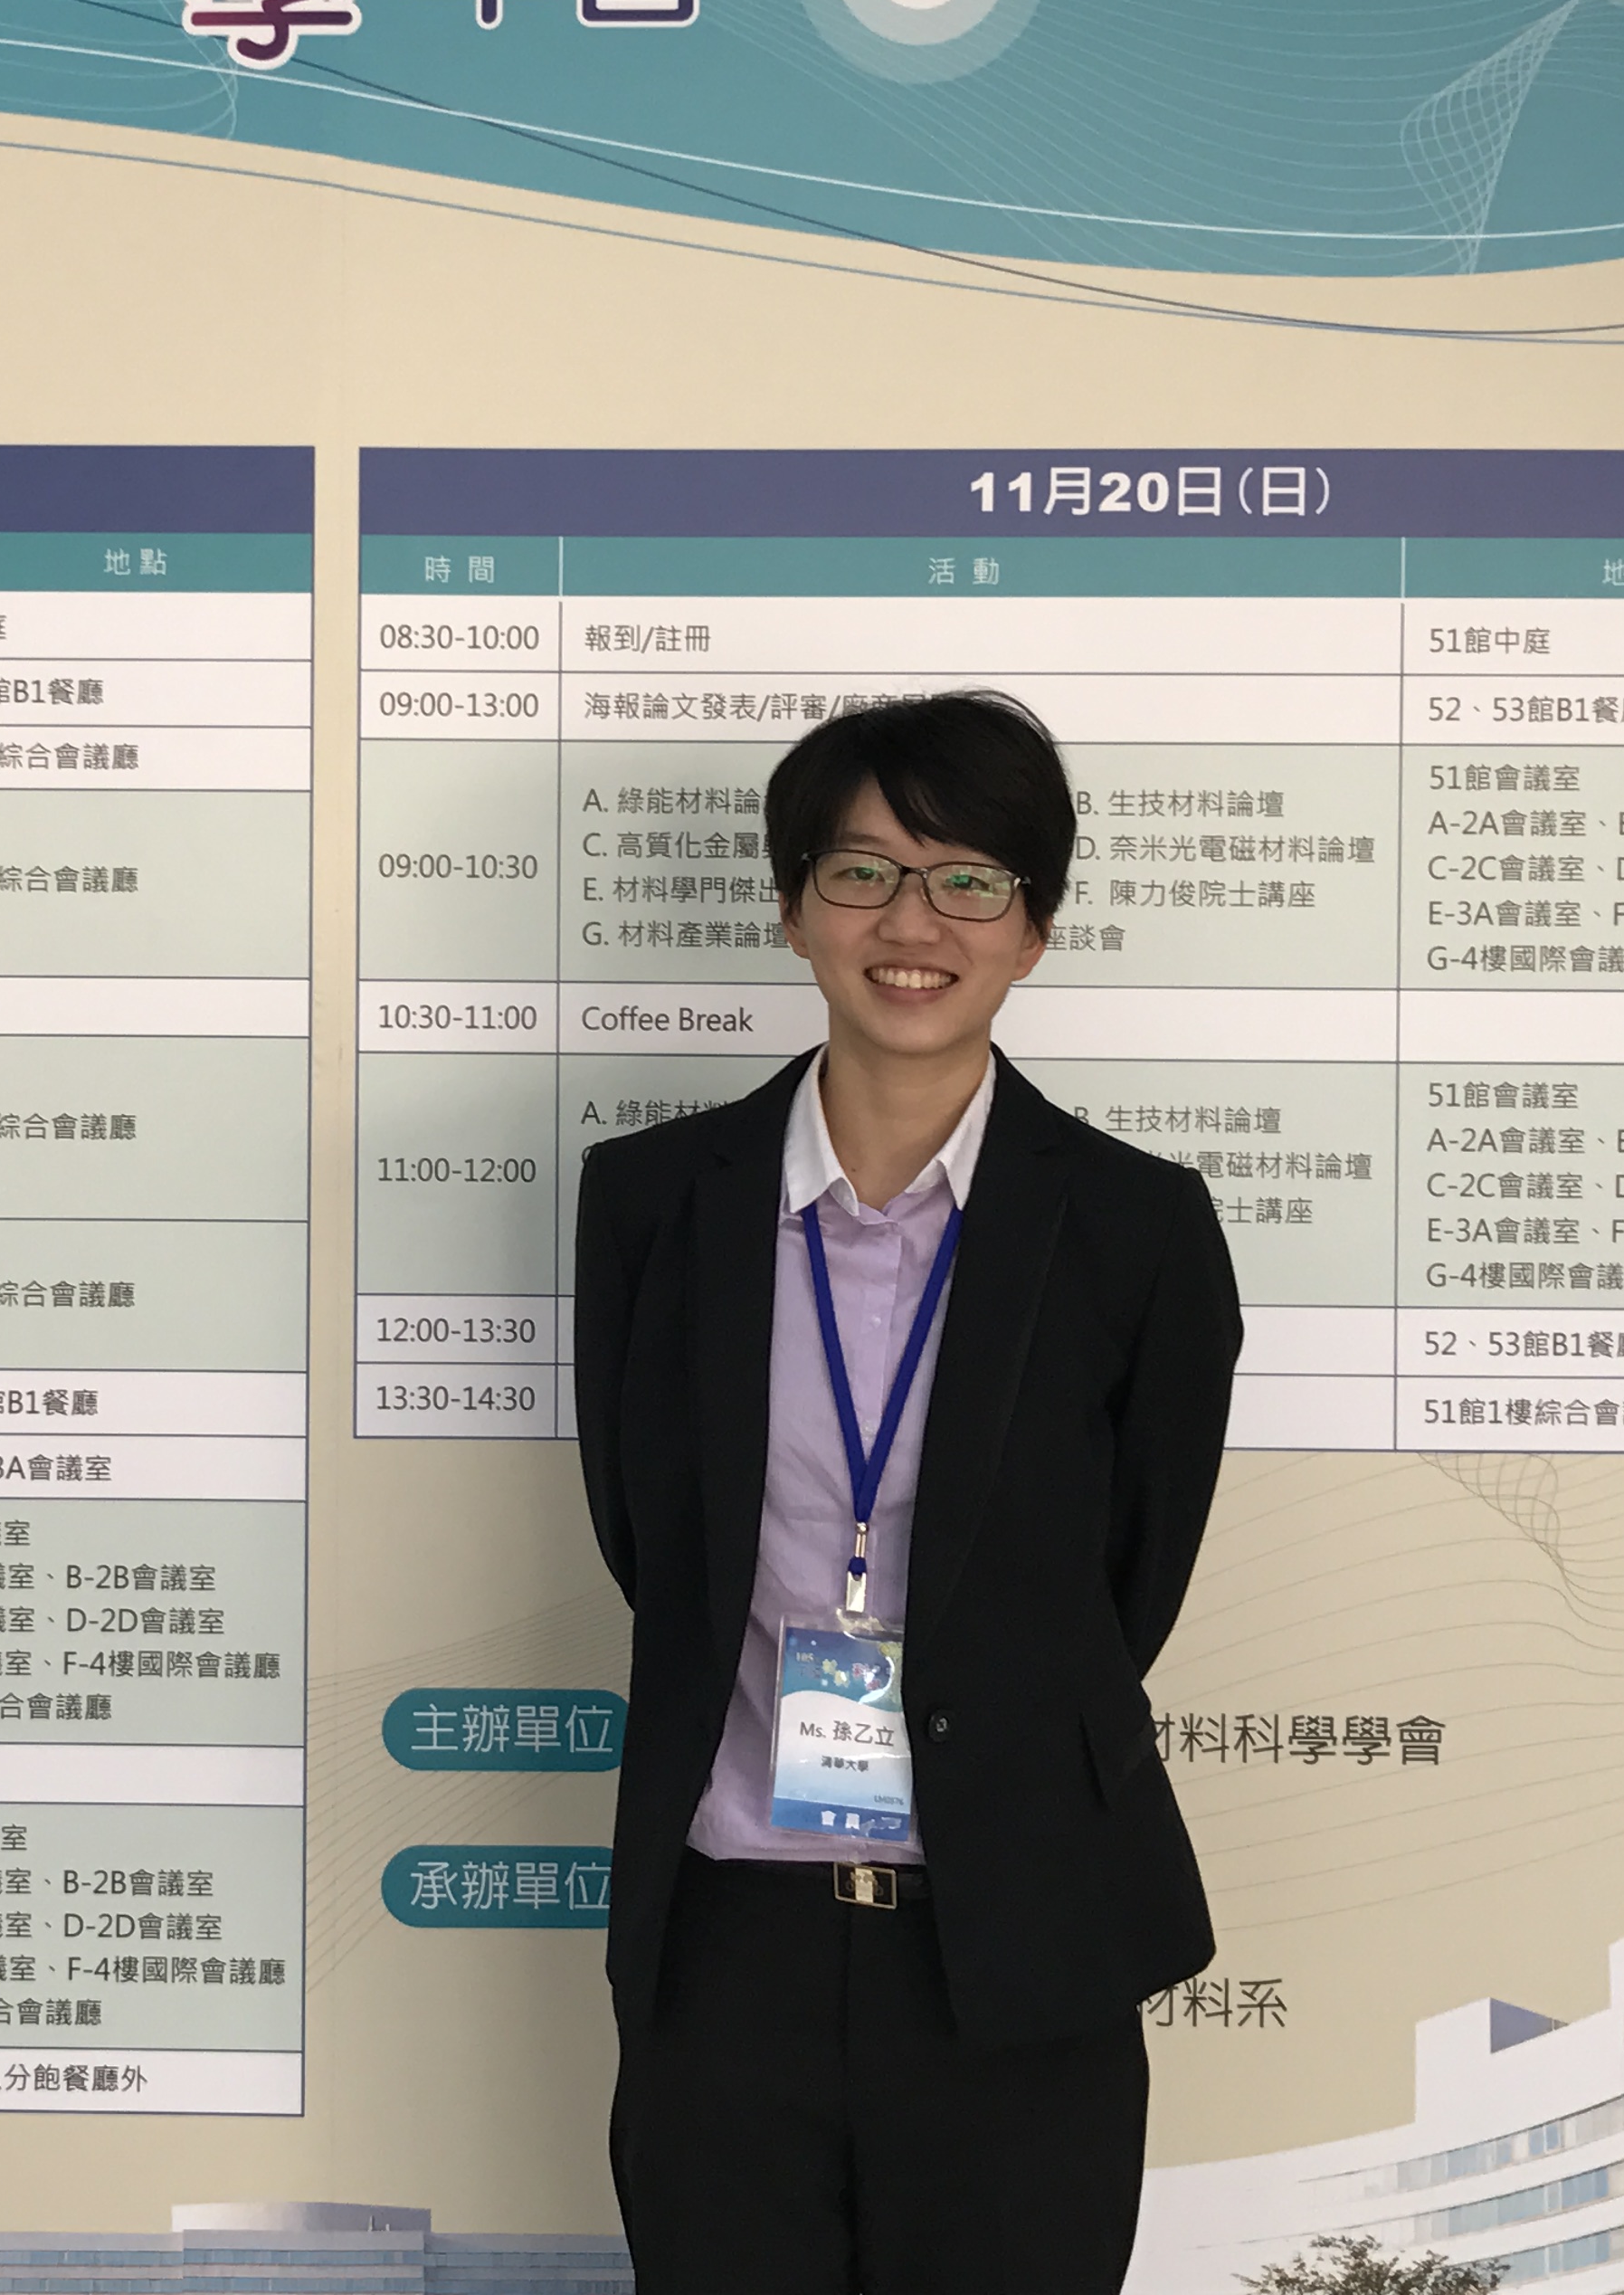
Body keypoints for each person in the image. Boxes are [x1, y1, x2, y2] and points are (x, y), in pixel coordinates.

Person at [574, 690, 1241, 2295]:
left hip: (1021, 1936)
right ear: (793, 905)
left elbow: (1126, 1583)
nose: (913, 922)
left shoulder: (1140, 1231)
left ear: (1037, 928)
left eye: (969, 880)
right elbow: (648, 1537)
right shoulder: (653, 1202)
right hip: (726, 1947)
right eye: (863, 872)